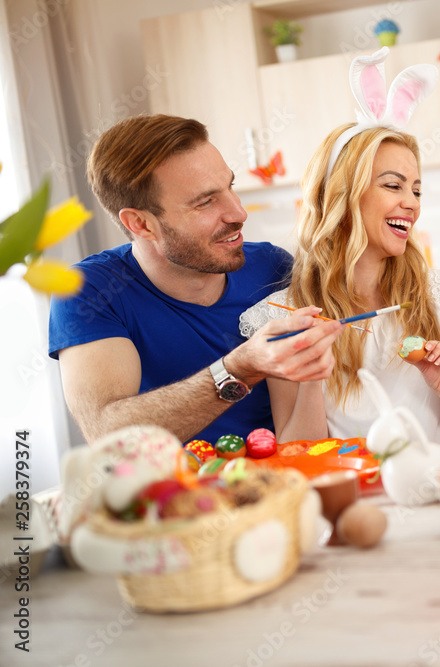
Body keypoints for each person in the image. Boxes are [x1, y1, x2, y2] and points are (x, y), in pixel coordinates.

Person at [49, 114, 344, 445]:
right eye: (205, 201)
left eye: (229, 186)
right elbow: (109, 436)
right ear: (141, 224)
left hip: (279, 486)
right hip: (174, 493)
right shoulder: (91, 292)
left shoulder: (273, 268)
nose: (238, 213)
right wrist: (237, 369)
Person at [239, 124, 440, 443]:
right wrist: (311, 379)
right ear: (342, 195)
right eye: (393, 186)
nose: (412, 204)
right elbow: (298, 453)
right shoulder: (285, 319)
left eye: (416, 190)